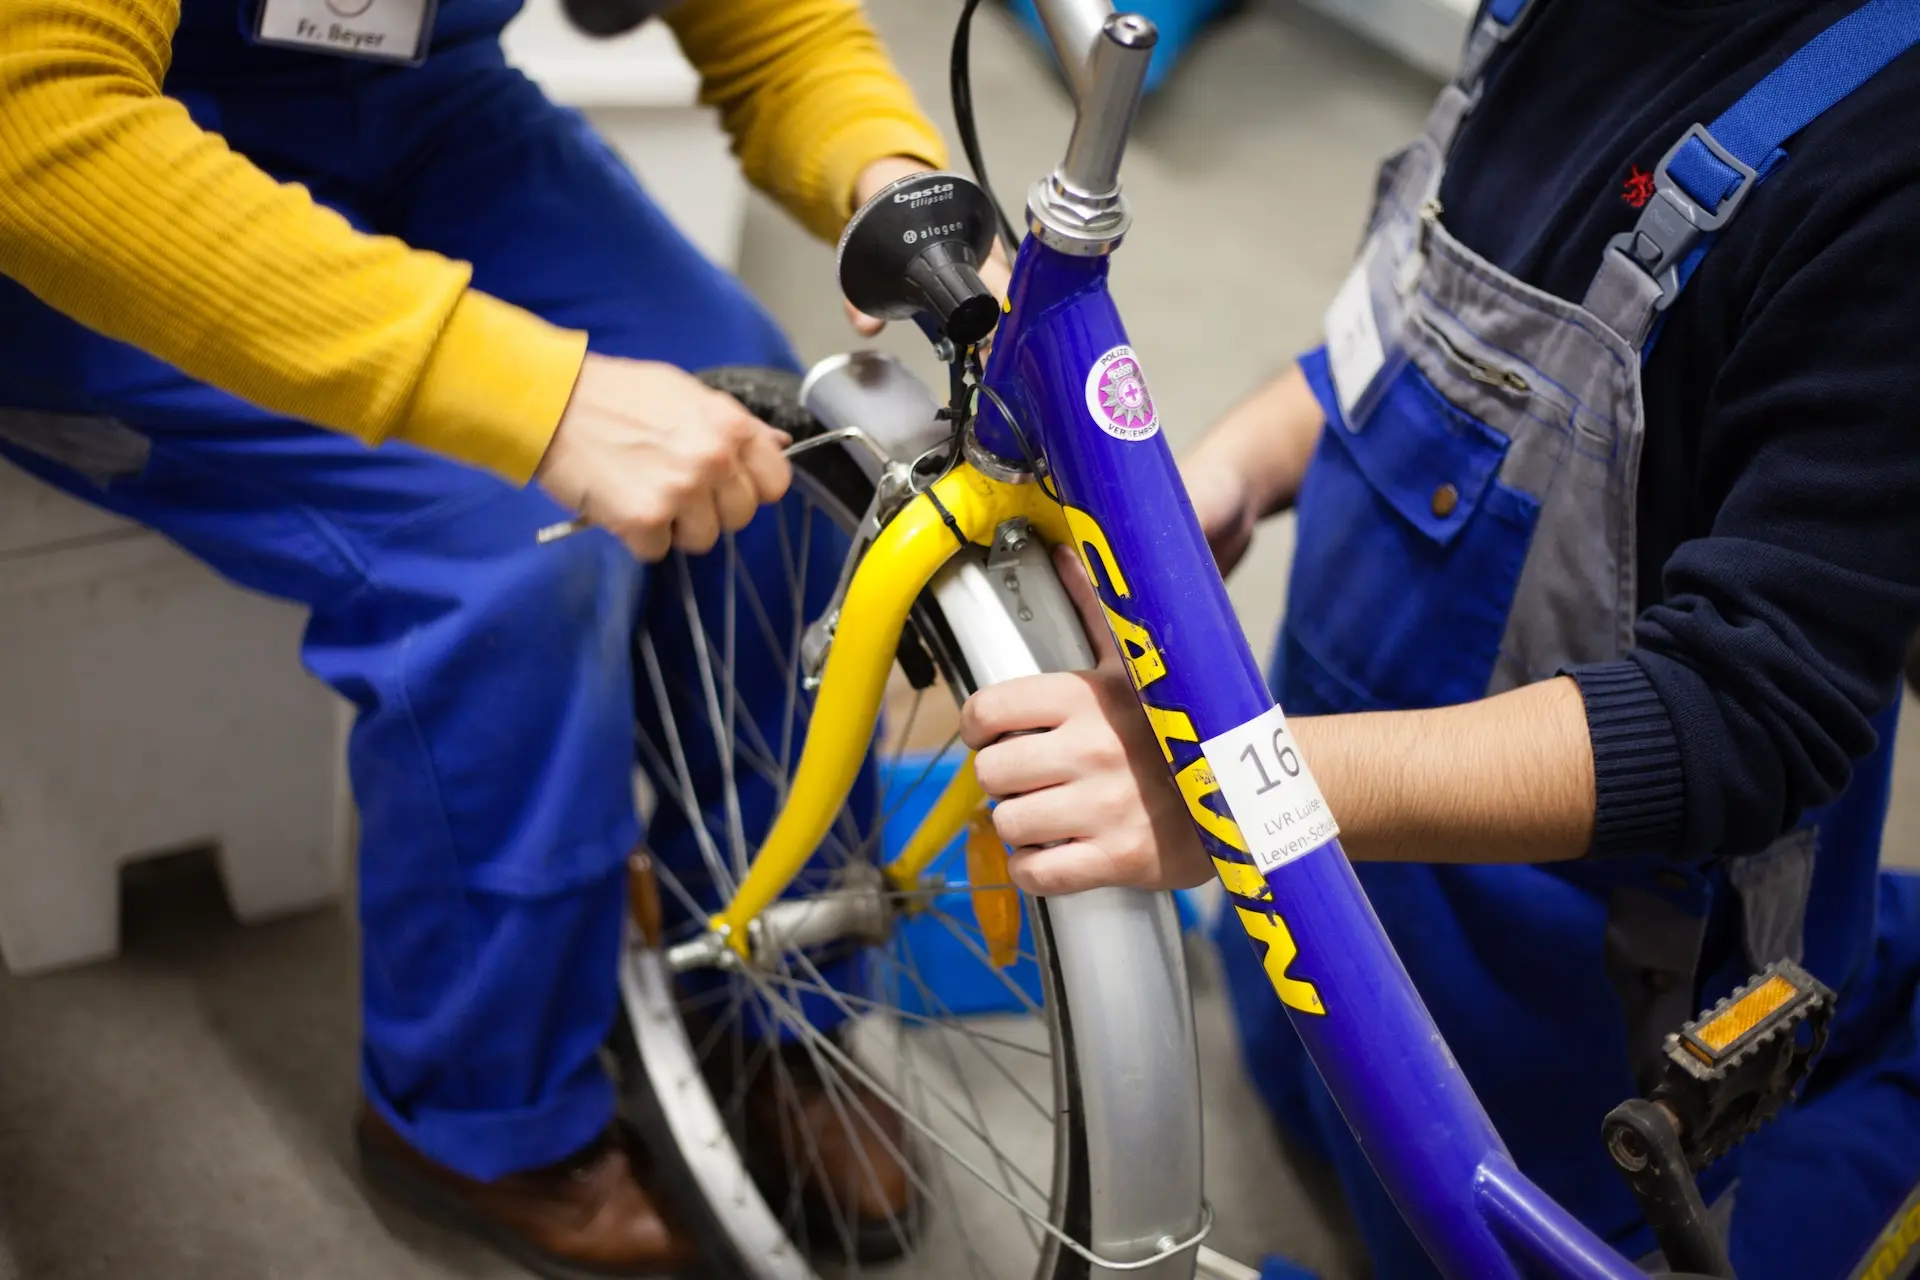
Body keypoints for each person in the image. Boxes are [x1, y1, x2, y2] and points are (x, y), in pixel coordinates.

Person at [0, 1, 1003, 1274]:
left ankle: (773, 988)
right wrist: (540, 400)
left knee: (771, 448)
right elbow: (36, 113)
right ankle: (477, 1112)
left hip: (420, 106)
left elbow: (768, 24)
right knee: (508, 557)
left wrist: (894, 182)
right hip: (86, 172)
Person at [961, 1, 1920, 1277]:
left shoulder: (1885, 172)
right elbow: (1405, 341)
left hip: (1578, 1060)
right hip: (1332, 927)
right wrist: (1231, 471)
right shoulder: (1535, 19)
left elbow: (1746, 712)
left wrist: (1250, 788)